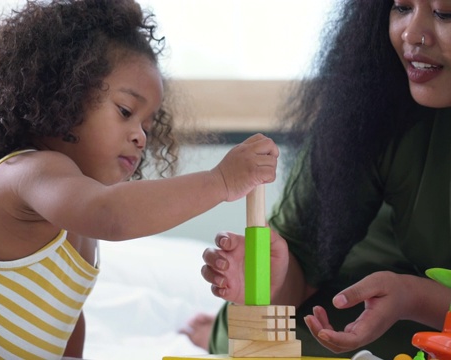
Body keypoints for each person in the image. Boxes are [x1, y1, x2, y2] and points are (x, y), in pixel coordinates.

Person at [0, 0, 279, 359]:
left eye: (149, 123)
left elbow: (62, 322)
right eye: (127, 111)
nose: (140, 135)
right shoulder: (29, 173)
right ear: (61, 93)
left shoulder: (77, 225)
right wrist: (220, 181)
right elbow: (114, 216)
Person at [193, 0, 451, 357]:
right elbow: (298, 264)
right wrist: (274, 278)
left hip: (419, 308)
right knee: (258, 341)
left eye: (443, 13)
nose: (410, 33)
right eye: (401, 7)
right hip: (368, 290)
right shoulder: (378, 102)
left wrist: (416, 297)